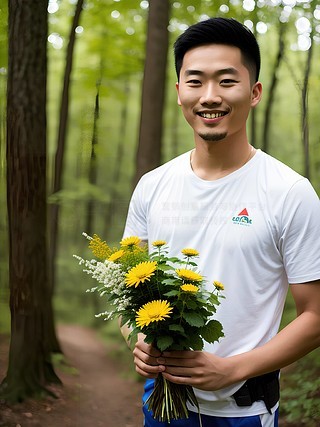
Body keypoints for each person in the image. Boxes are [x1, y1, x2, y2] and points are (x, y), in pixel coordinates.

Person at [122, 17, 320, 427]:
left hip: (243, 410)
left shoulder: (289, 192)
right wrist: (138, 340)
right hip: (161, 402)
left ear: (254, 92)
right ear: (179, 93)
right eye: (195, 81)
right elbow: (130, 293)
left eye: (227, 81)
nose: (209, 96)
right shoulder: (152, 185)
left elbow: (315, 315)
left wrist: (231, 369)